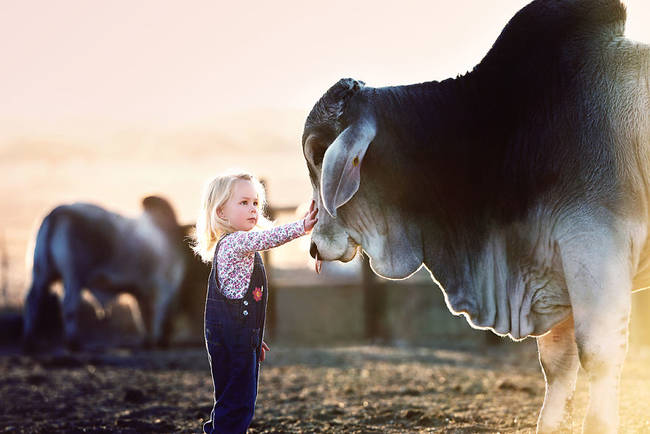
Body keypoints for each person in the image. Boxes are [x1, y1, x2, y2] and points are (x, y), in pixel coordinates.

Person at [193, 171, 318, 434]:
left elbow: (238, 304)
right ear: (221, 213)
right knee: (239, 401)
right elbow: (266, 238)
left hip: (236, 337)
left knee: (232, 396)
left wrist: (253, 337)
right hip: (233, 339)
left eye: (255, 203)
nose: (252, 209)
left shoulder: (237, 245)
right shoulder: (235, 243)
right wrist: (303, 225)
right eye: (243, 203)